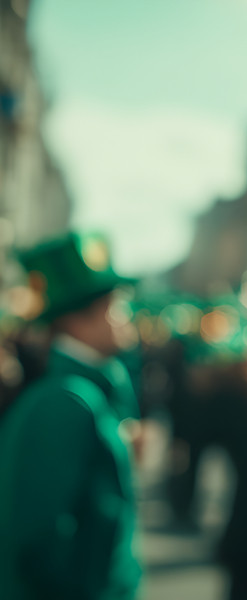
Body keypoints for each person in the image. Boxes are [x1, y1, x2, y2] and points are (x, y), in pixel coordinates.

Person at [0, 233, 141, 600]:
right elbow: (36, 540)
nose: (126, 317)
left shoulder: (83, 392)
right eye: (116, 305)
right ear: (82, 319)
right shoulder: (66, 401)